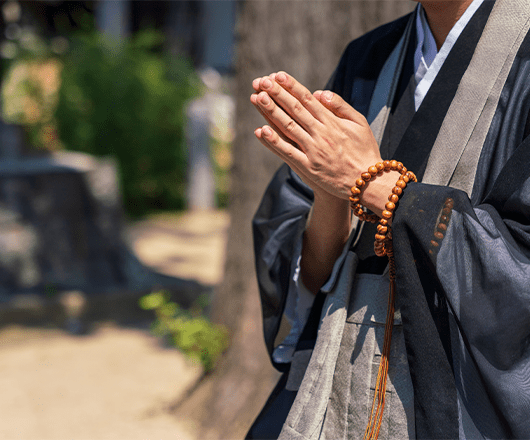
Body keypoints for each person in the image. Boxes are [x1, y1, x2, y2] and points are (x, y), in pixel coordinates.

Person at [249, 0, 530, 438]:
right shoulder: (368, 58)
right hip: (339, 383)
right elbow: (308, 266)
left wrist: (374, 184)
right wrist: (330, 190)